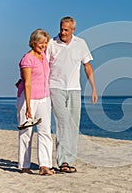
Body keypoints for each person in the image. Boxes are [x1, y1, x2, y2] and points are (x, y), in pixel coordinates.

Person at [46, 16, 98, 173]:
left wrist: (94, 88)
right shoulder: (52, 43)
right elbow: (43, 66)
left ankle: (69, 160)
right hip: (55, 88)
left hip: (75, 89)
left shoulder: (80, 44)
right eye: (61, 28)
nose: (62, 32)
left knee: (74, 125)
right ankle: (62, 162)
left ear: (73, 30)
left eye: (66, 30)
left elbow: (87, 66)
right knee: (63, 123)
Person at [16, 28, 55, 175]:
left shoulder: (43, 56)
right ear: (33, 42)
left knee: (45, 131)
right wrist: (27, 107)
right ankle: (24, 166)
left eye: (45, 43)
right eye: (41, 43)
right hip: (29, 99)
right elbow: (27, 83)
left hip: (44, 99)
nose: (43, 45)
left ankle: (44, 165)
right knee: (26, 132)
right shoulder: (27, 59)